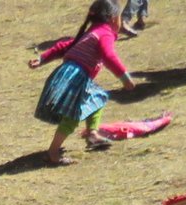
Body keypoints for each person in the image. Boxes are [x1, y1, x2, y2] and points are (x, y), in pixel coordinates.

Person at [30, 3, 135, 167]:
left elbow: (64, 46)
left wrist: (42, 59)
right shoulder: (104, 33)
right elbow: (109, 56)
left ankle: (92, 134)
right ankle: (53, 152)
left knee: (98, 97)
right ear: (114, 18)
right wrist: (125, 78)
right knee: (72, 116)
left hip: (69, 74)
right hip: (75, 76)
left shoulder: (92, 32)